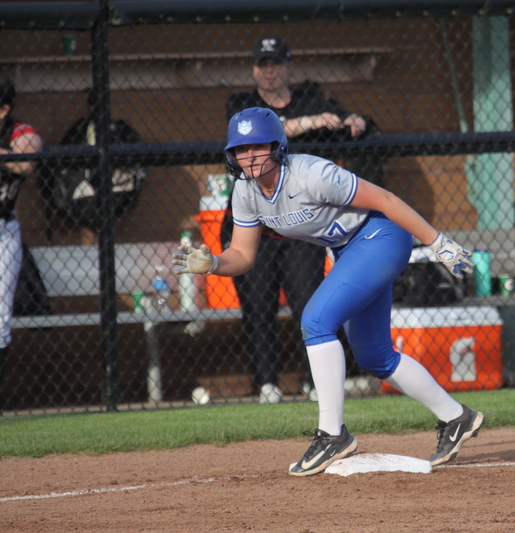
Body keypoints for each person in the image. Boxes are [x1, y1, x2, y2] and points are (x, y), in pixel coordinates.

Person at [173, 107, 483, 476]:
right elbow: (242, 254)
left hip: (379, 237)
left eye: (257, 146)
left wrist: (437, 242)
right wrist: (212, 263)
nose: (249, 156)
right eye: (241, 149)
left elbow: (385, 200)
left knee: (316, 320)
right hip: (348, 252)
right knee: (375, 356)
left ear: (278, 146)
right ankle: (457, 417)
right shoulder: (245, 191)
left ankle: (332, 434)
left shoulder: (310, 173)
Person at [222, 37, 376, 404]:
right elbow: (261, 132)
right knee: (258, 304)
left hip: (301, 224)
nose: (269, 71)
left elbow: (351, 123)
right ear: (253, 69)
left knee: (310, 304)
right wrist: (309, 123)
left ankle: (315, 382)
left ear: (289, 66)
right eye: (262, 64)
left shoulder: (312, 99)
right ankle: (266, 384)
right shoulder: (242, 105)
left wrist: (355, 121)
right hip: (256, 222)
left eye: (276, 63)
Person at [0, 75, 43, 408]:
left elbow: (27, 160)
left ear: (3, 109)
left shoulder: (18, 131)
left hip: (3, 233)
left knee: (0, 319)